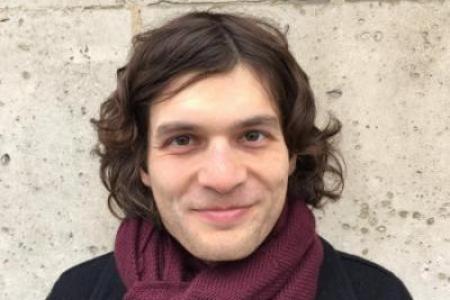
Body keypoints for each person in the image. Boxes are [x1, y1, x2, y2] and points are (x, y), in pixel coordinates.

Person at [47, 11, 412, 300]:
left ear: (292, 153)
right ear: (142, 162)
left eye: (252, 136)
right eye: (183, 140)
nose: (222, 178)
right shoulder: (77, 292)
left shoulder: (378, 293)